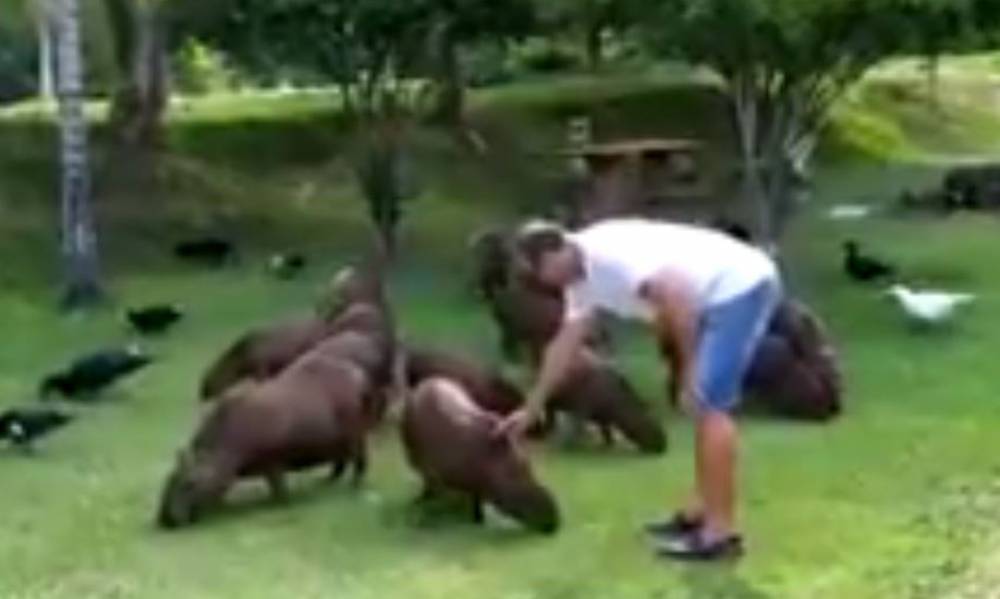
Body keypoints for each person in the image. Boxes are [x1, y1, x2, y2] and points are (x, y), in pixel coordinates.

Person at [496, 217, 781, 561]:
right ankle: (698, 513)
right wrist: (532, 407)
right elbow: (565, 345)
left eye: (540, 271)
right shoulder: (579, 279)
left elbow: (676, 299)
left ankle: (720, 535)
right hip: (711, 296)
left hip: (738, 288)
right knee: (701, 405)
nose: (544, 283)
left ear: (558, 250)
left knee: (710, 404)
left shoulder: (609, 258)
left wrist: (688, 372)